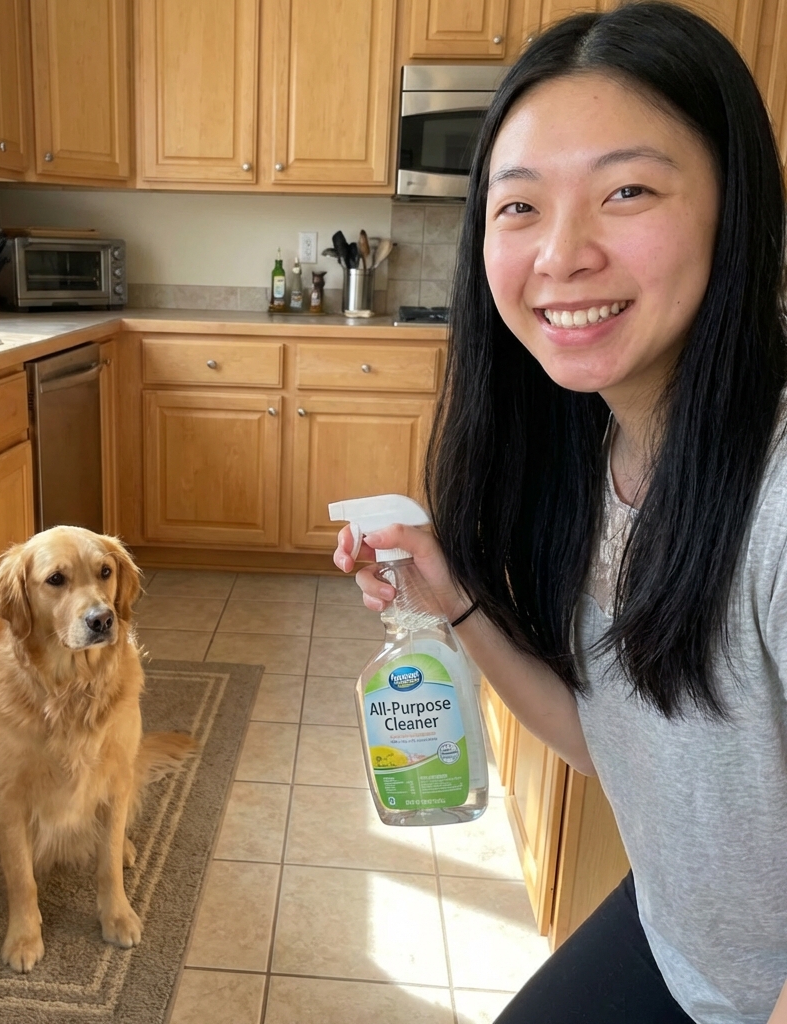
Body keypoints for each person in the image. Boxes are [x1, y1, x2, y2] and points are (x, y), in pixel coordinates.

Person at [334, 4, 787, 1022]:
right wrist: (451, 595)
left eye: (626, 190)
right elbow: (607, 742)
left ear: (733, 203)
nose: (562, 254)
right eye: (519, 206)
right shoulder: (585, 457)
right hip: (680, 939)